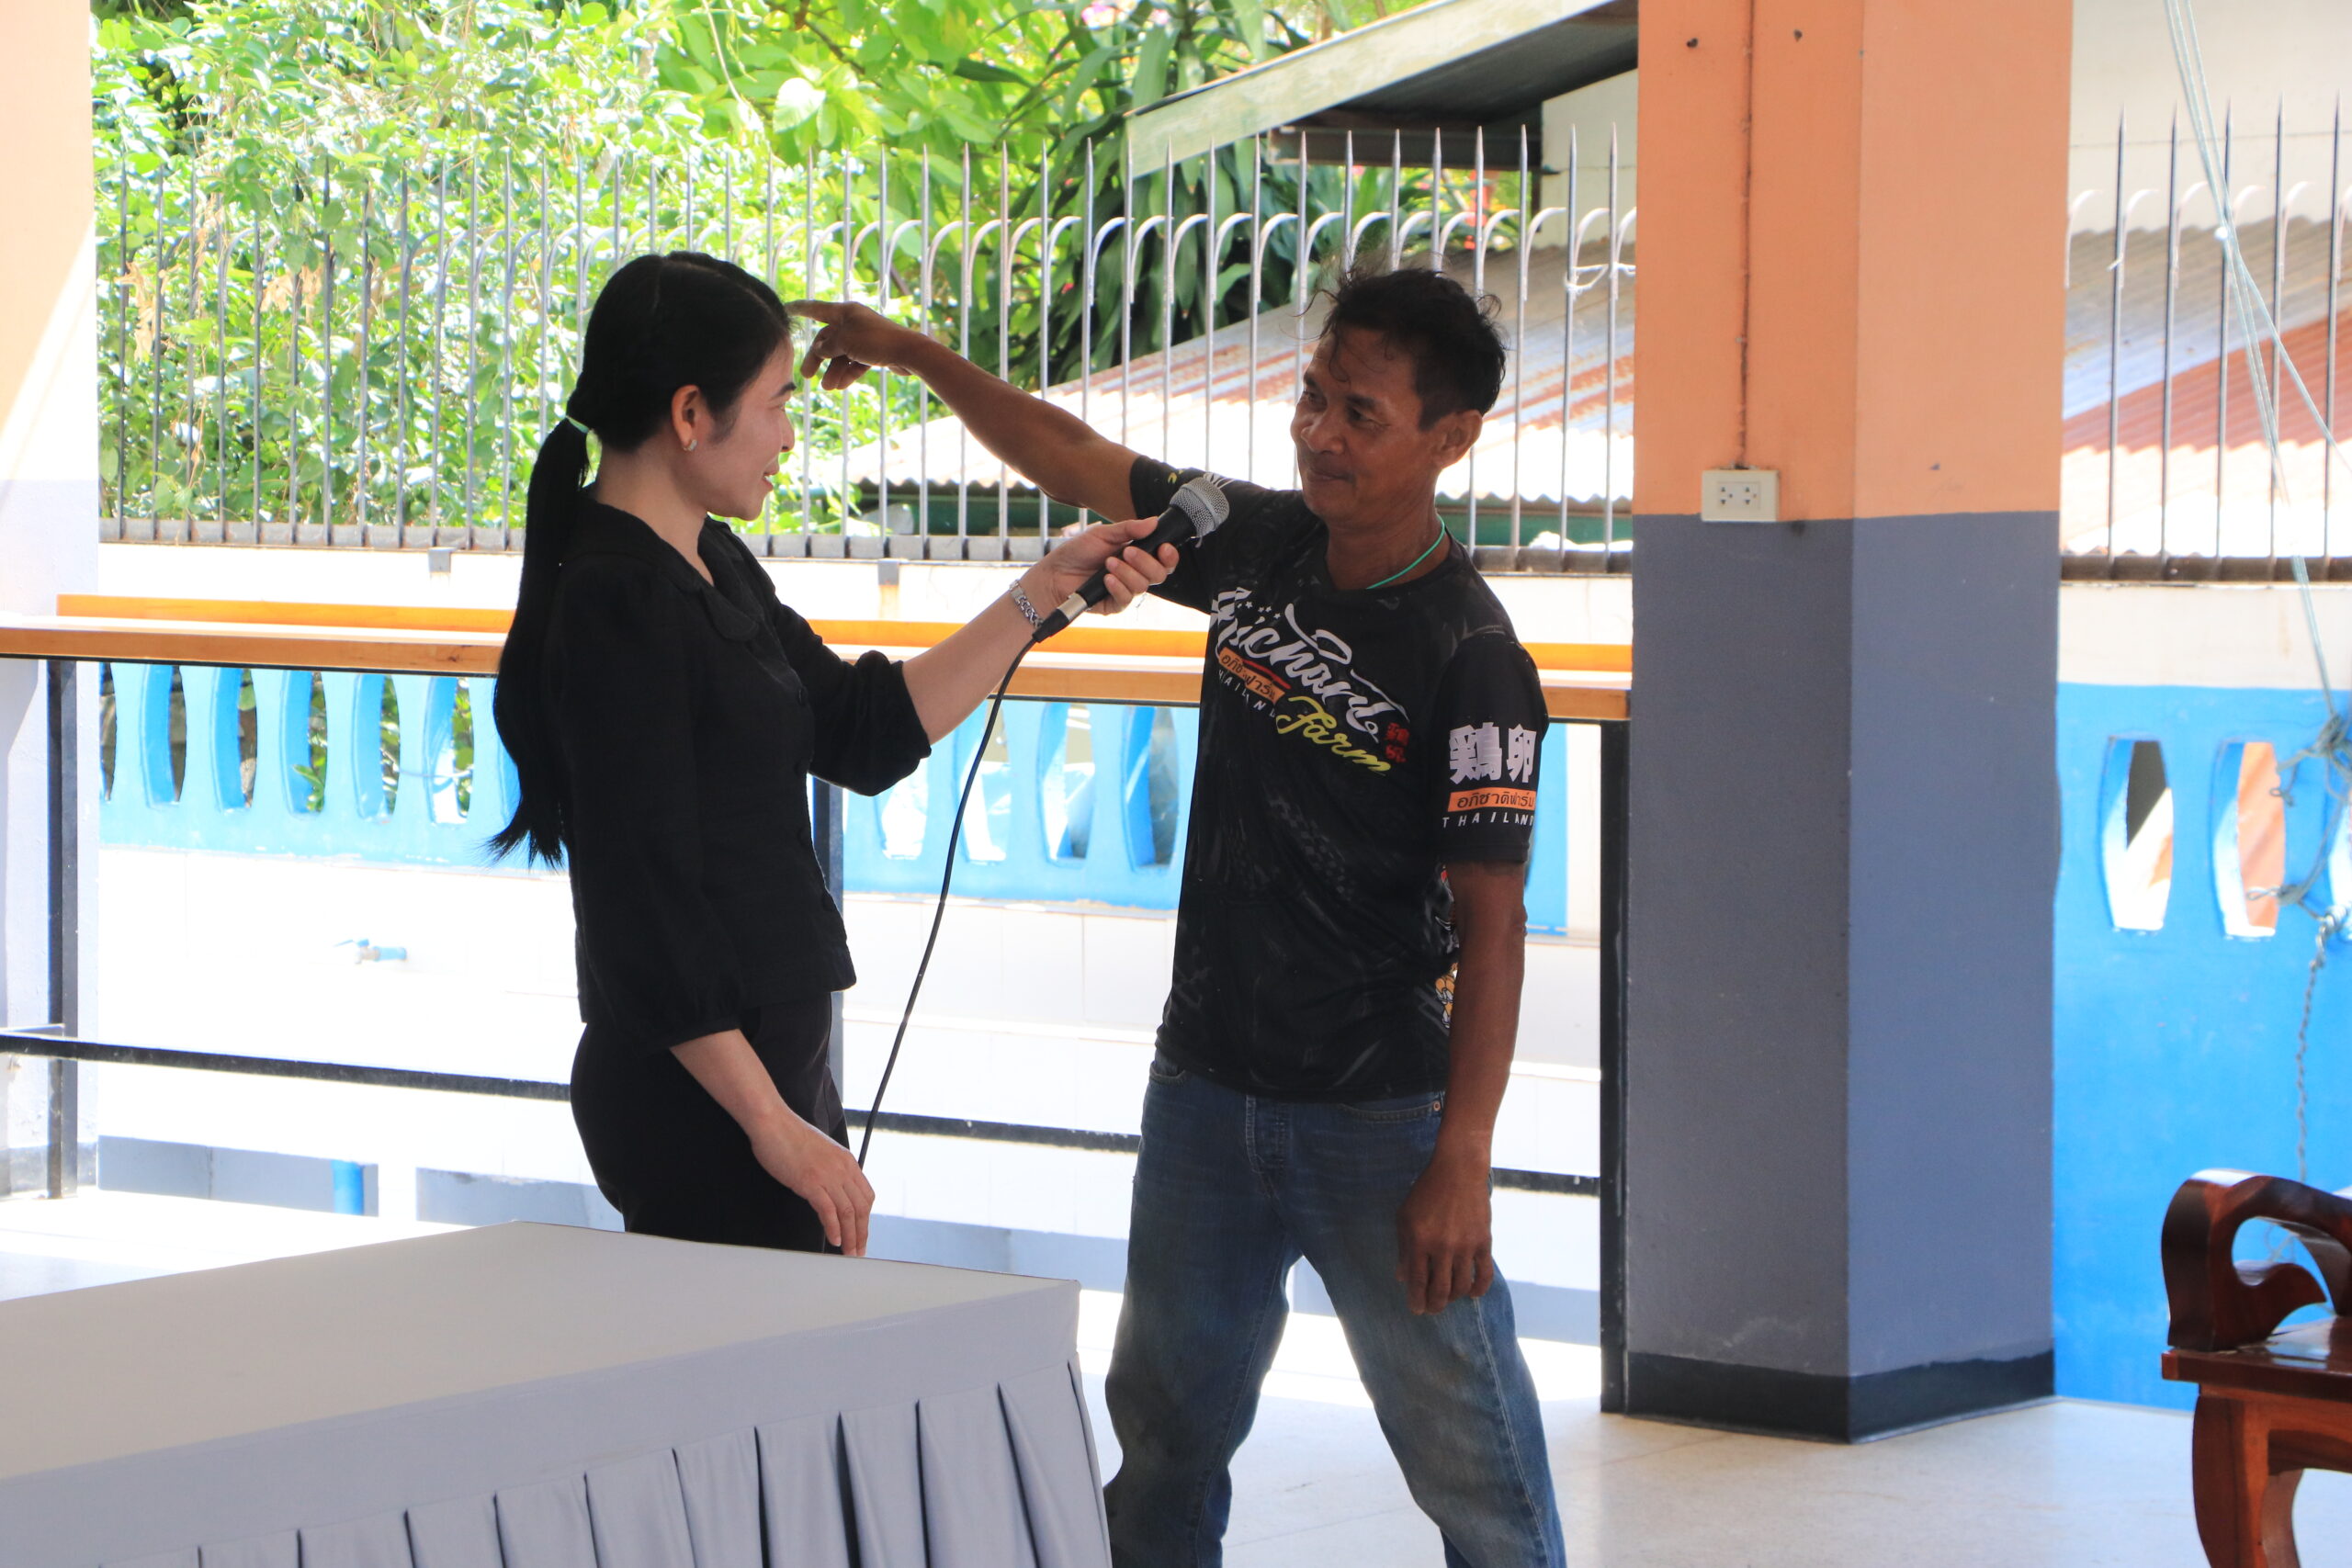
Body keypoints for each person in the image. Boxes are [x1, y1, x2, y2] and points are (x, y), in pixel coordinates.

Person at [796, 266, 1566, 1566]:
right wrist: (917, 353)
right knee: (1159, 1441)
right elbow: (1072, 454)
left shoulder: (1472, 654)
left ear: (1451, 438)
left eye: (1360, 414)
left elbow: (1495, 929)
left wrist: (1463, 1160)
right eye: (1312, 398)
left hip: (1379, 1118)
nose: (1318, 433)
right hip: (1204, 1093)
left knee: (1474, 1471)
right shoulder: (1256, 543)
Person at [490, 252, 1175, 1258]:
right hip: (705, 1107)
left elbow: (861, 728)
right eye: (775, 403)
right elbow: (647, 913)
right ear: (690, 414)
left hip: (769, 1083)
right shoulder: (615, 603)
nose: (787, 435)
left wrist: (1043, 592)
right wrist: (773, 1128)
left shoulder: (707, 557)